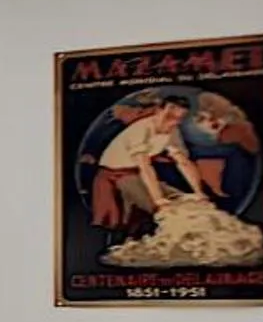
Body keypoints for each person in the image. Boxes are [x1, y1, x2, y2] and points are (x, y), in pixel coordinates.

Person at [89, 94, 209, 234]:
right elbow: (145, 167)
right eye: (169, 116)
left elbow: (183, 162)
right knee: (162, 210)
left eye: (178, 119)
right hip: (116, 175)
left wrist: (199, 192)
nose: (172, 123)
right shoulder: (141, 130)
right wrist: (158, 200)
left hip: (137, 173)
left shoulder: (172, 131)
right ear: (158, 111)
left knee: (185, 201)